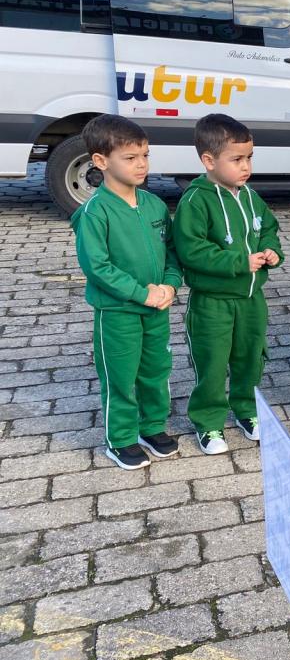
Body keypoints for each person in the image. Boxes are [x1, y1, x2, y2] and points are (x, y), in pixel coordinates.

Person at [70, 114, 181, 470]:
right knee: (120, 376)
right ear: (100, 161)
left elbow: (172, 253)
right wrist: (140, 293)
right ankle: (119, 439)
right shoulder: (94, 212)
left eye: (145, 155)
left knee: (156, 370)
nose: (142, 164)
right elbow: (97, 267)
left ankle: (152, 427)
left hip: (157, 309)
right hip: (118, 313)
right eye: (130, 158)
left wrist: (170, 285)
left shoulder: (154, 205)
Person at [173, 114, 284, 455]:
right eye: (236, 159)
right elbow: (192, 250)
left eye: (249, 158)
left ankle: (247, 410)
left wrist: (272, 250)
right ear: (209, 161)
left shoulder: (250, 196)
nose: (246, 166)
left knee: (251, 358)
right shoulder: (195, 200)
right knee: (212, 362)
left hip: (251, 300)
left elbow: (268, 228)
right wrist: (238, 262)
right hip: (213, 303)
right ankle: (208, 421)